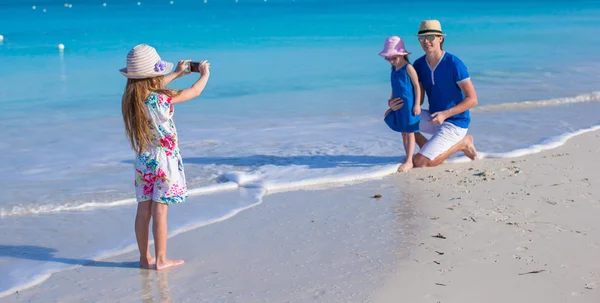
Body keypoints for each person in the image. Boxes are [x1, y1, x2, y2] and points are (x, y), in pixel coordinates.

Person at [119, 44, 211, 270]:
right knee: (161, 209)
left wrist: (177, 73)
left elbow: (150, 86)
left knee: (143, 210)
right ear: (154, 75)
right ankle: (161, 259)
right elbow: (194, 91)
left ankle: (145, 258)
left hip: (144, 160)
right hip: (164, 161)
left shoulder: (131, 99)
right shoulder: (161, 99)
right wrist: (205, 74)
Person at [388, 20, 477, 167]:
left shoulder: (454, 64)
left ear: (440, 38)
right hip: (434, 117)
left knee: (421, 162)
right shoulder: (418, 65)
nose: (425, 41)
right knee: (401, 119)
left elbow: (472, 99)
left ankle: (463, 143)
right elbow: (419, 98)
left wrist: (445, 114)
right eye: (421, 38)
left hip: (455, 122)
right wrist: (394, 103)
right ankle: (431, 149)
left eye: (430, 37)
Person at [379, 36, 422, 172]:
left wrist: (417, 105)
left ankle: (409, 160)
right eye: (388, 58)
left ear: (402, 54)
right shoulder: (393, 69)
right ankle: (408, 156)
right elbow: (394, 87)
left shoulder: (408, 68)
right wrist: (390, 101)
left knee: (410, 132)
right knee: (403, 132)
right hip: (398, 105)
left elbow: (416, 86)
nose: (391, 61)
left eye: (394, 58)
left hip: (409, 105)